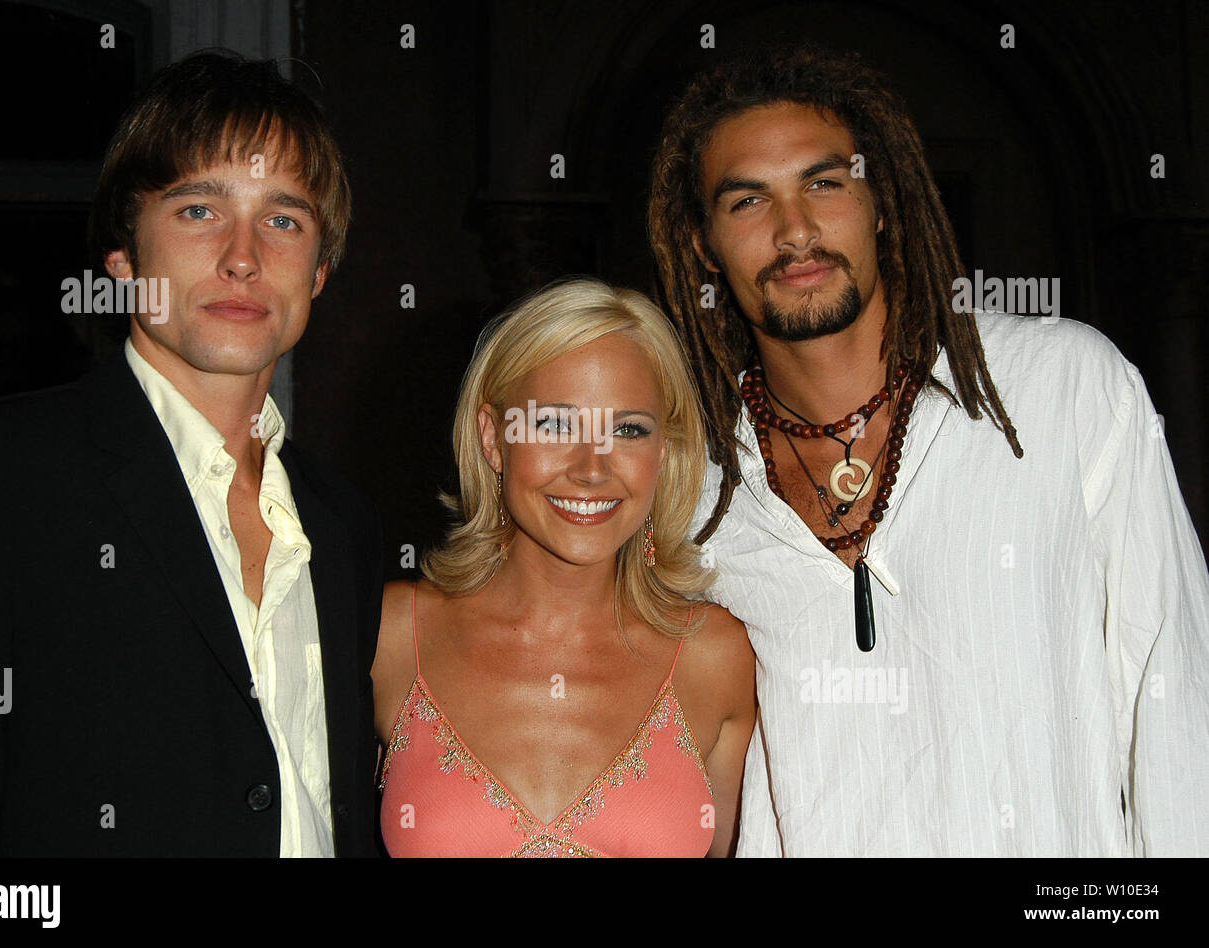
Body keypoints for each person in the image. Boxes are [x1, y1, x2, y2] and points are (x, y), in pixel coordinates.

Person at [647, 44, 1209, 856]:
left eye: (824, 183)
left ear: (881, 202)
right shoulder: (688, 490)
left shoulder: (1061, 390)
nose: (795, 230)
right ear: (703, 246)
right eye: (746, 202)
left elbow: (1175, 700)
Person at [0, 52, 382, 856]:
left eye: (283, 219)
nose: (243, 255)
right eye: (198, 210)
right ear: (124, 259)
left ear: (321, 271)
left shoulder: (346, 528)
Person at [371, 278, 755, 857]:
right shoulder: (392, 633)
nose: (592, 468)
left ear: (665, 451)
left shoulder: (714, 656)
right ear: (493, 439)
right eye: (554, 425)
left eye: (628, 429)